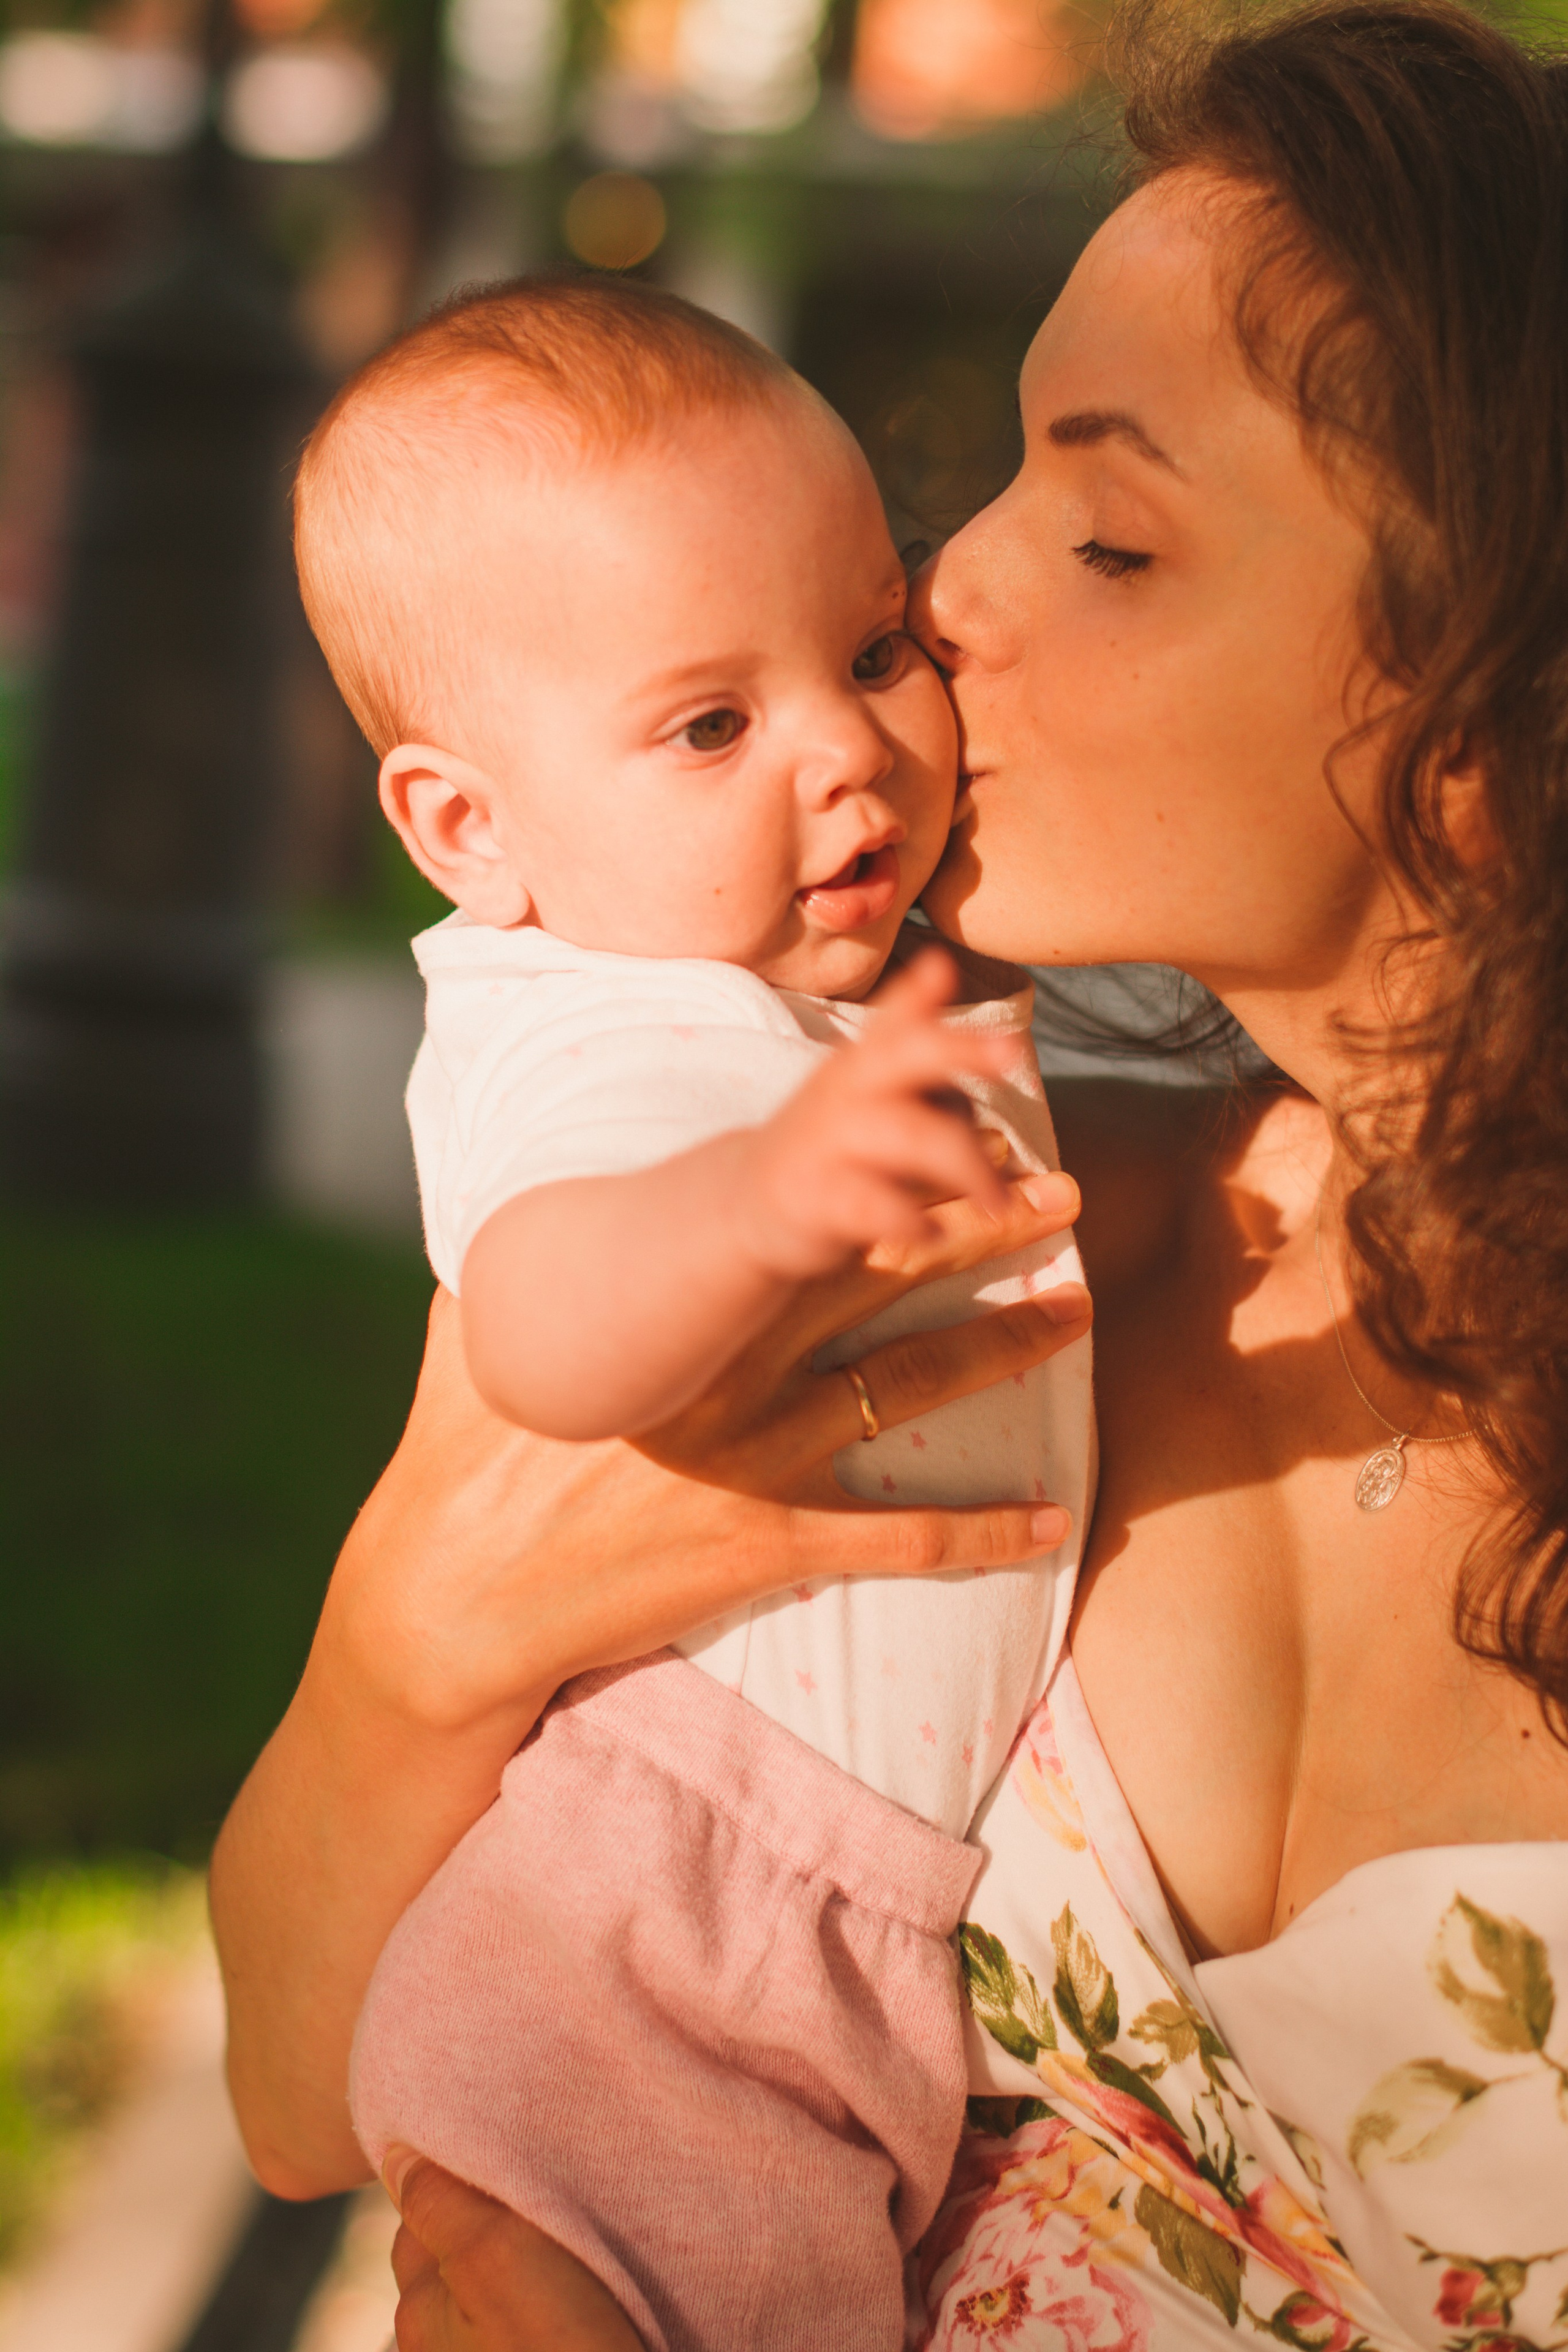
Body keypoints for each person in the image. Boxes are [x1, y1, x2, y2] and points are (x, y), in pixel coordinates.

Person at [209, 1, 1568, 2345]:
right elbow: (295, 2097)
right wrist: (408, 1647)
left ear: (1477, 746)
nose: (948, 600)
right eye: (1004, 475)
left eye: (1115, 538)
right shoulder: (975, 1237)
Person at [289, 277, 1094, 2350]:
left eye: (871, 650)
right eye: (713, 724)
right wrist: (759, 1200)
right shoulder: (616, 1029)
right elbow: (549, 1333)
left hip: (807, 1902)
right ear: (474, 830)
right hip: (652, 1902)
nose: (848, 748)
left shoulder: (772, 999)